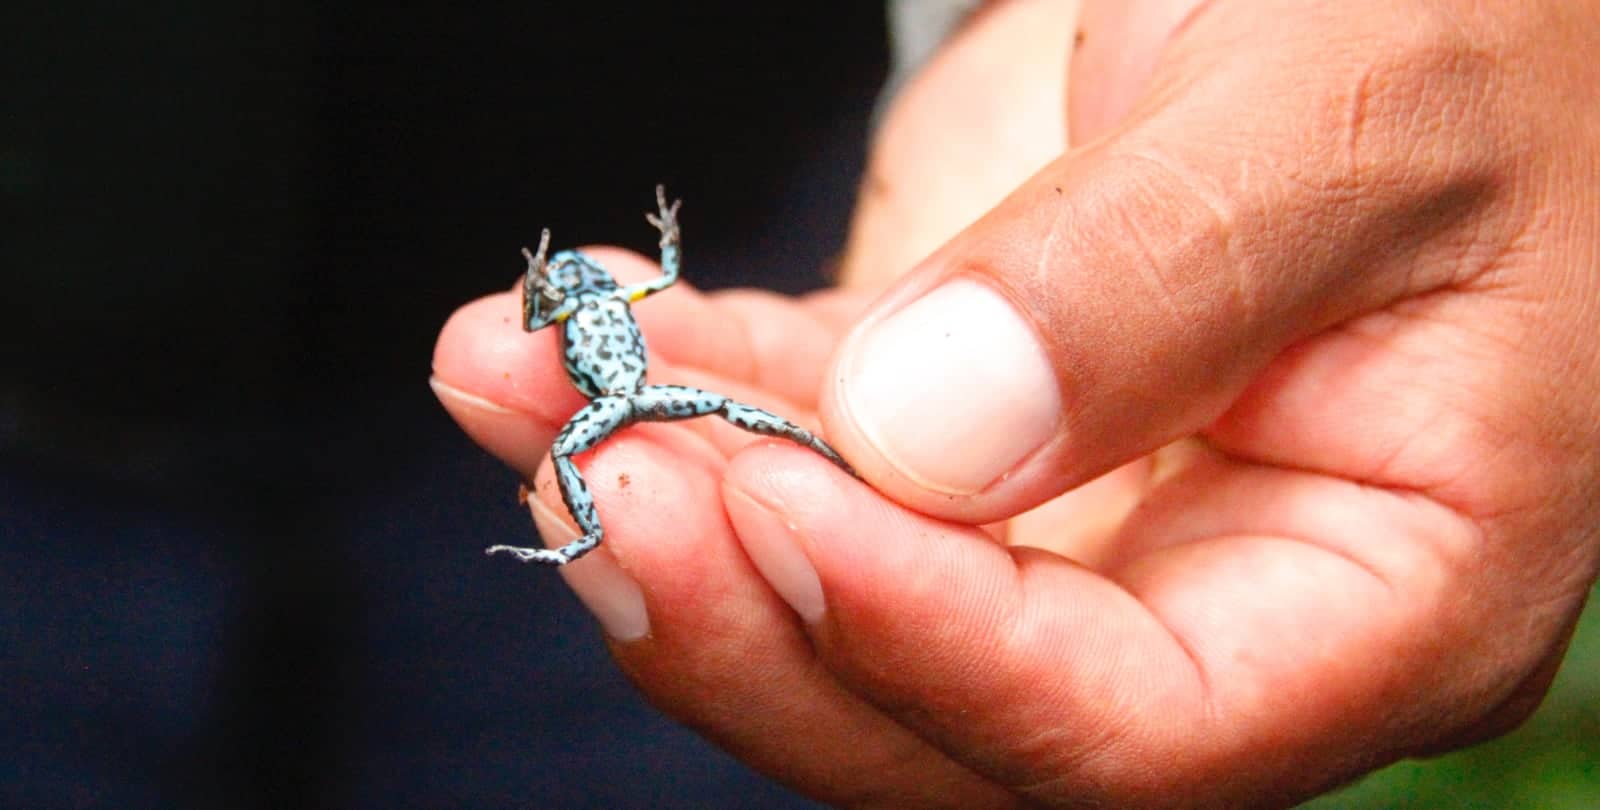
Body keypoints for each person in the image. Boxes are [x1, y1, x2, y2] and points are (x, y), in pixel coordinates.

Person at [432, 1, 1600, 805]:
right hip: (590, 391)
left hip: (790, 193)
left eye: (568, 283)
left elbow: (668, 285)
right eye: (564, 286)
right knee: (685, 497)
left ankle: (770, 479)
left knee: (748, 474)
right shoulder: (567, 305)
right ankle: (588, 529)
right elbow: (574, 317)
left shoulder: (608, 299)